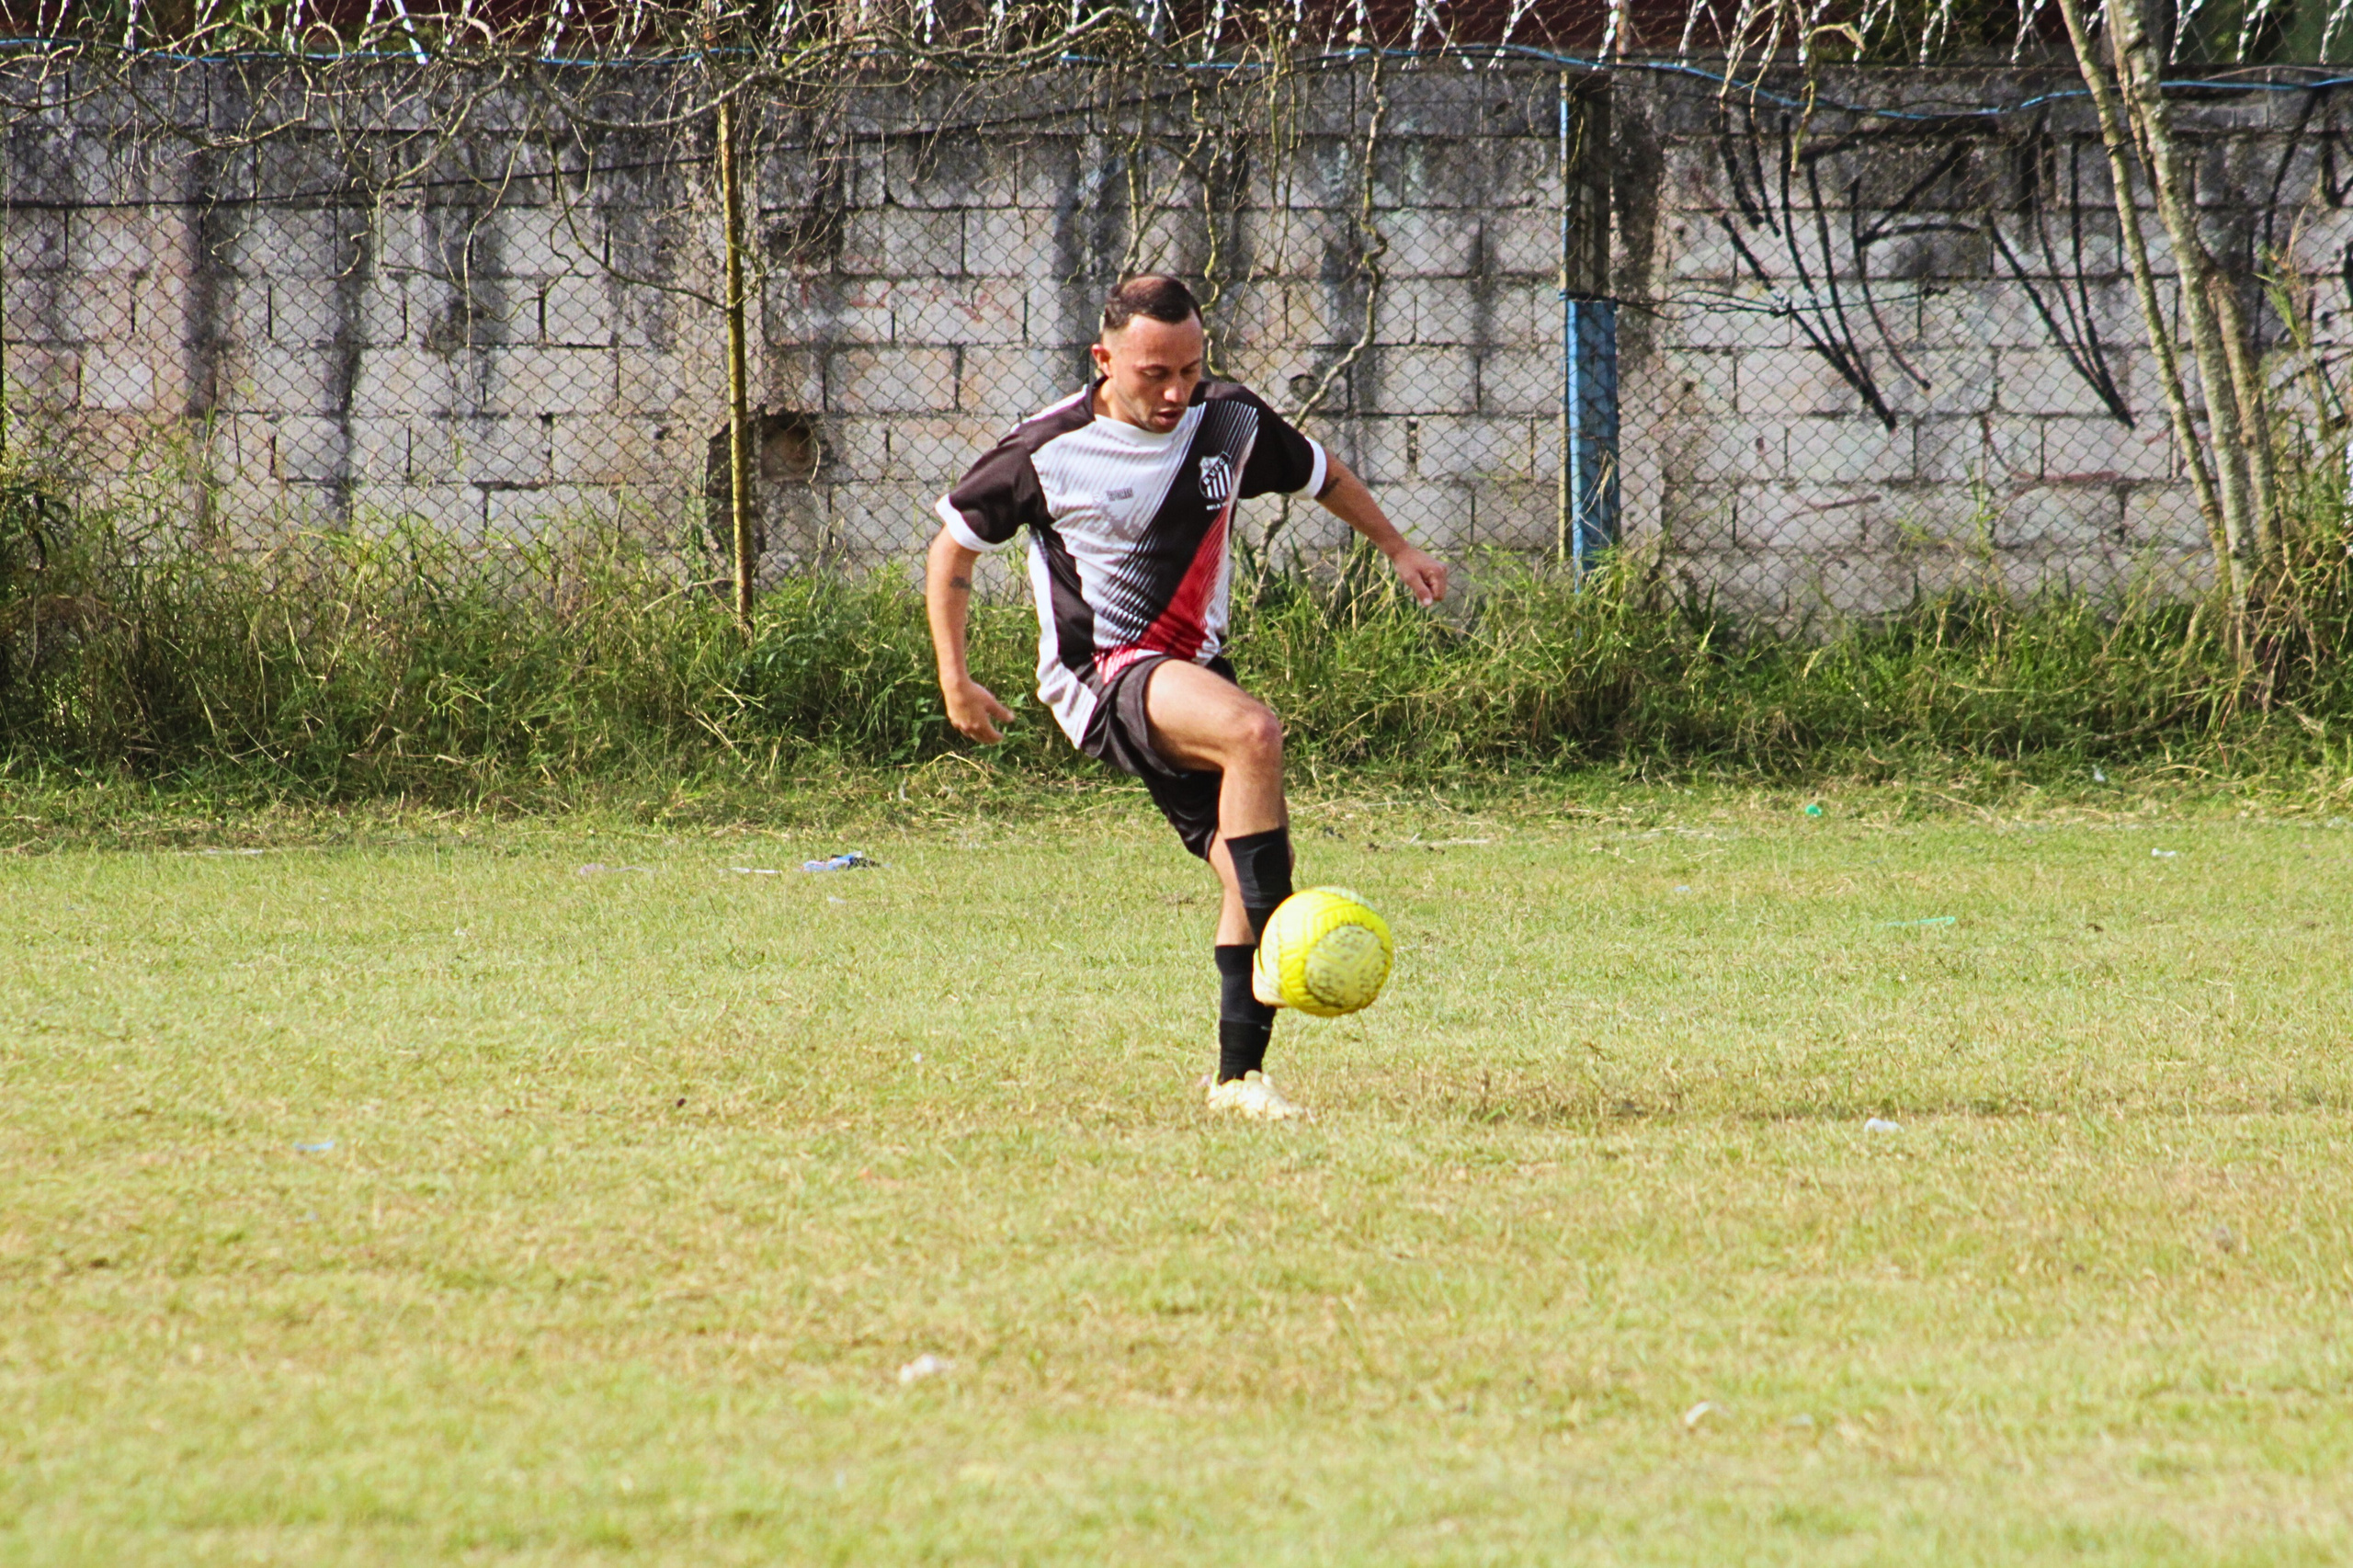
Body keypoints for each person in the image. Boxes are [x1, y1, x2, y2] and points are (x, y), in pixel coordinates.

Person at [925, 275, 1448, 1120]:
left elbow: (1320, 474)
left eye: (1190, 371)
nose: (1175, 393)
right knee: (1252, 732)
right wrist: (956, 677)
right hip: (1103, 674)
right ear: (1104, 360)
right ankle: (1286, 939)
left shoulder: (1230, 419)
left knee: (1239, 870)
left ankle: (1239, 1079)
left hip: (1192, 669)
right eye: (1152, 374)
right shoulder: (1044, 450)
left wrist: (1397, 548)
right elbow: (951, 554)